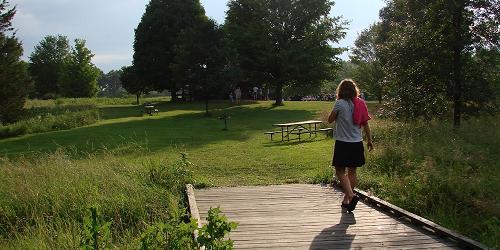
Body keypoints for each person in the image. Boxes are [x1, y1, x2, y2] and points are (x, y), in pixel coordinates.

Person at [328, 79, 373, 213]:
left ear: (340, 91)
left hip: (343, 143)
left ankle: (351, 196)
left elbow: (330, 120)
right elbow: (365, 123)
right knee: (352, 171)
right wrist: (369, 139)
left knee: (340, 171)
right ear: (355, 90)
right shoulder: (361, 103)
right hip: (357, 142)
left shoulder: (339, 104)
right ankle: (346, 200)